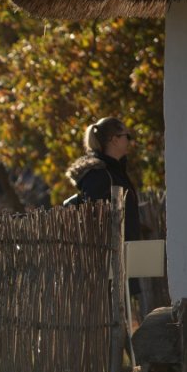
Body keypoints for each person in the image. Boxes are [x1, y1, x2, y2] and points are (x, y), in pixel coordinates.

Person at [66, 117, 143, 295]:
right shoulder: (100, 175)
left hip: (123, 254)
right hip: (107, 259)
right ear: (114, 139)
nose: (129, 140)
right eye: (127, 136)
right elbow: (93, 217)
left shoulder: (115, 171)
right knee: (111, 312)